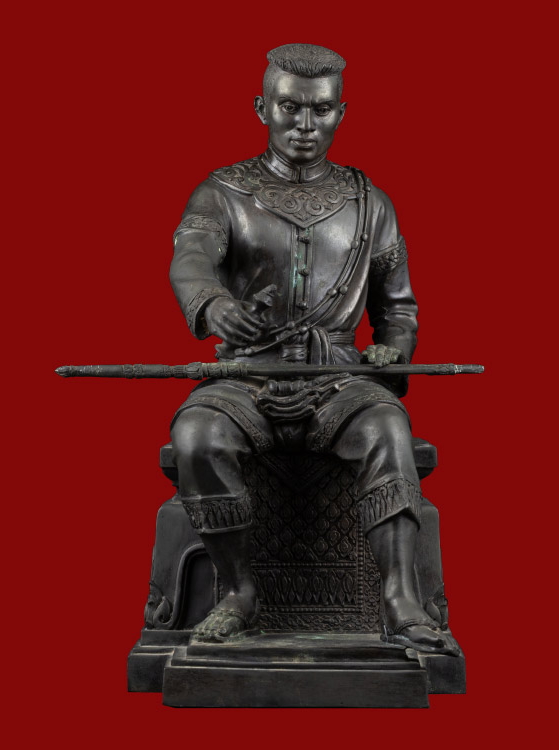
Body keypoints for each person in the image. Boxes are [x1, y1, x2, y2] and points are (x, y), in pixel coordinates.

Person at [169, 43, 457, 654]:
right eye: (289, 107)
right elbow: (191, 261)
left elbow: (398, 308)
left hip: (339, 381)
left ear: (340, 112)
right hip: (247, 378)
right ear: (261, 107)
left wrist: (392, 352)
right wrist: (215, 306)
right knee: (197, 435)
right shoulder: (222, 193)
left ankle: (401, 600)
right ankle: (237, 591)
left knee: (388, 428)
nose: (305, 125)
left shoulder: (370, 203)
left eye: (321, 110)